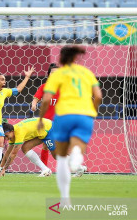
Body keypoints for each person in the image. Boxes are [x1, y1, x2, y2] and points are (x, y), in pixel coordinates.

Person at [38, 46, 102, 206]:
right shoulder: (86, 73)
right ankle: (76, 157)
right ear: (76, 58)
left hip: (64, 115)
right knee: (78, 146)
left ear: (61, 59)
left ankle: (65, 199)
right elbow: (98, 96)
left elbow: (46, 100)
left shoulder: (58, 74)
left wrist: (40, 119)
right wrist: (92, 112)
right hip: (85, 115)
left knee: (60, 158)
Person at [31, 63, 59, 167]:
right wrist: (34, 105)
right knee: (45, 145)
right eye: (52, 73)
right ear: (48, 74)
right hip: (46, 122)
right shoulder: (44, 87)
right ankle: (44, 169)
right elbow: (35, 99)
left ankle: (74, 167)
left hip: (59, 121)